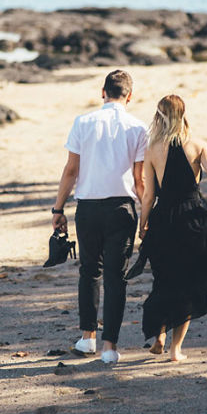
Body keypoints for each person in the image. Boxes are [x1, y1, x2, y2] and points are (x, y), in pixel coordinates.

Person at [51, 70, 148, 364]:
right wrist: (147, 216)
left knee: (89, 272)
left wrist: (58, 209)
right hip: (122, 209)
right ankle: (110, 348)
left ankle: (87, 338)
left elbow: (71, 171)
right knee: (116, 278)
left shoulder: (83, 122)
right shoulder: (139, 127)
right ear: (130, 96)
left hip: (88, 208)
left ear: (102, 92)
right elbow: (139, 179)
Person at [137, 94, 207, 362]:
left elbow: (149, 195)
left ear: (159, 116)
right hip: (193, 218)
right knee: (188, 281)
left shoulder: (152, 149)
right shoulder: (198, 145)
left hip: (164, 218)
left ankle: (159, 335)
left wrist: (143, 225)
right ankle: (176, 350)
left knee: (164, 278)